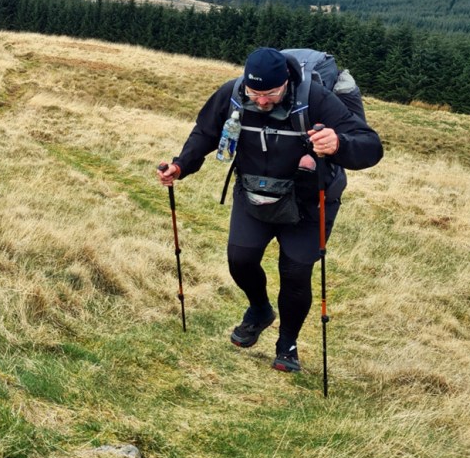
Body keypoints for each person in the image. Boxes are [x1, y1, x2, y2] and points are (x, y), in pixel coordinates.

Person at [156, 47, 383, 372]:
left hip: (308, 201)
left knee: (294, 273)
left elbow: (370, 146)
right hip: (254, 193)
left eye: (271, 93)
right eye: (255, 93)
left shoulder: (315, 99)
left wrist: (339, 144)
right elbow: (206, 132)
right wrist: (180, 166)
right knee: (240, 260)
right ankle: (260, 310)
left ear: (287, 83)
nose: (261, 101)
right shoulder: (232, 94)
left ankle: (287, 345)